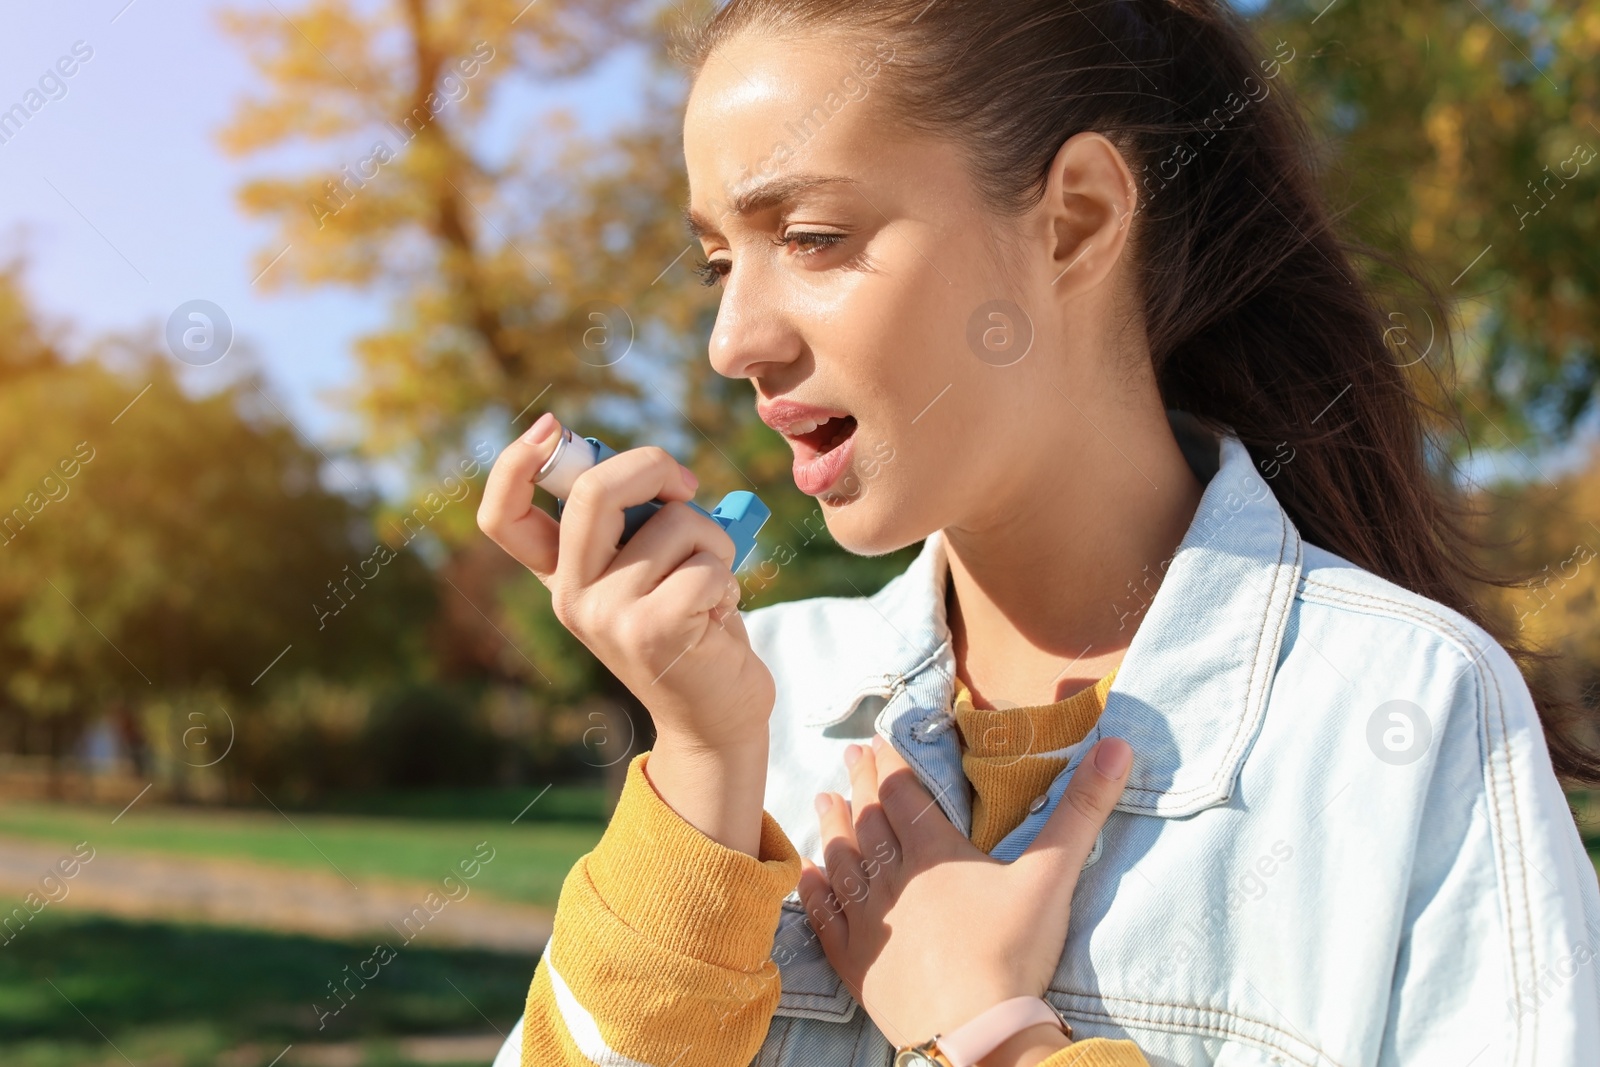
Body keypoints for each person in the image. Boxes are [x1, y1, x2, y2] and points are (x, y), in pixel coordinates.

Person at [477, 1, 1600, 1064]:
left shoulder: (1407, 706)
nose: (731, 338)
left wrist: (995, 1030)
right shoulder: (753, 696)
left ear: (1075, 220)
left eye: (812, 236)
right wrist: (704, 770)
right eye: (722, 260)